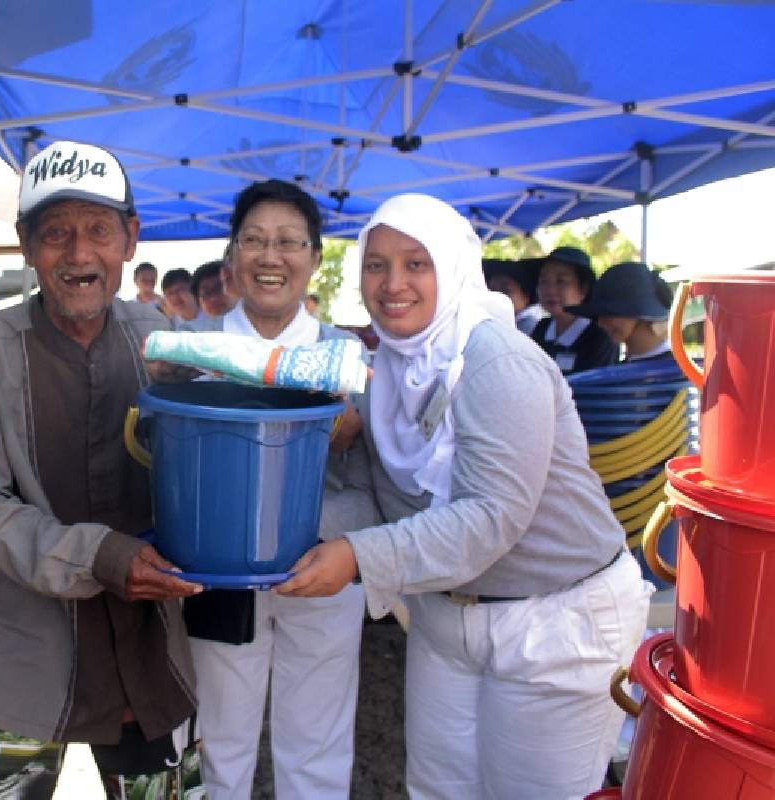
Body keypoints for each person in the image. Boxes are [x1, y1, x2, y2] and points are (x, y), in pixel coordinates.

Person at [277, 193, 651, 799]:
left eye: (415, 263)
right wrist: (274, 537)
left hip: (556, 621)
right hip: (448, 617)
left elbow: (489, 518)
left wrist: (355, 558)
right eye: (376, 265)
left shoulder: (496, 361)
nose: (392, 283)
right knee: (438, 790)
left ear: (451, 268)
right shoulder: (387, 373)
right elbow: (387, 504)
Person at [0, 140, 204, 800]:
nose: (79, 253)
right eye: (55, 233)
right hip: (22, 651)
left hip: (146, 649)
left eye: (98, 230)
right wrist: (103, 556)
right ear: (26, 245)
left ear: (131, 238)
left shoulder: (160, 340)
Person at [181, 179, 369, 800]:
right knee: (217, 738)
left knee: (315, 742)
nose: (271, 257)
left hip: (322, 570)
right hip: (219, 576)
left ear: (315, 257)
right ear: (232, 255)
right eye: (255, 241)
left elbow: (375, 469)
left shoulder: (347, 352)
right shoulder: (193, 347)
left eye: (289, 242)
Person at [530, 246, 618, 374]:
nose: (550, 290)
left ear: (583, 289)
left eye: (561, 282)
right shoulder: (541, 328)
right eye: (544, 281)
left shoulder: (601, 336)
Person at [566, 261, 676, 364]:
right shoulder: (623, 372)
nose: (600, 323)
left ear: (638, 312)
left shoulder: (678, 374)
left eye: (609, 313)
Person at [482, 257, 545, 334]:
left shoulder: (530, 328)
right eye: (491, 290)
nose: (497, 296)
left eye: (505, 290)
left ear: (526, 295)